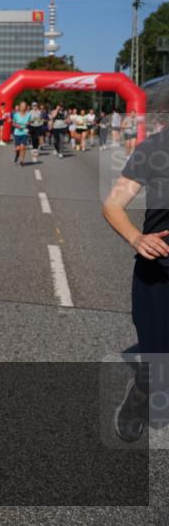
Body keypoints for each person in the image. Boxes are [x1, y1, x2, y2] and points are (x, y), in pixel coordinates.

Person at [102, 123, 169, 443]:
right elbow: (113, 205)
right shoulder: (155, 149)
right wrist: (136, 238)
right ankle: (139, 395)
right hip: (159, 274)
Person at [11, 101, 31, 166]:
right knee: (18, 148)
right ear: (20, 107)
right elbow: (13, 123)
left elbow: (29, 122)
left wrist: (29, 123)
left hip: (24, 133)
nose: (23, 107)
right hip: (17, 133)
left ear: (26, 107)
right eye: (22, 106)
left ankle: (22, 161)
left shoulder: (28, 115)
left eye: (24, 106)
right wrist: (17, 126)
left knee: (23, 147)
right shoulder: (16, 115)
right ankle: (17, 155)